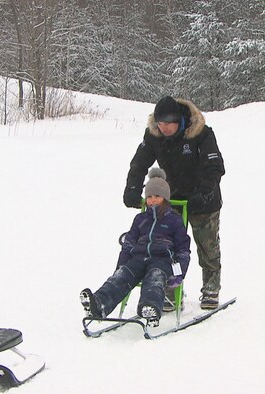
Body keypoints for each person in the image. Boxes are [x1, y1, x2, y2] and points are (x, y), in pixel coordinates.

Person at [123, 96, 225, 310]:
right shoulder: (154, 136)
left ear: (179, 120)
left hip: (203, 200)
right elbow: (139, 163)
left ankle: (211, 287)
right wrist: (132, 188)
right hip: (171, 199)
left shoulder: (201, 134)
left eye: (168, 124)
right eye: (160, 124)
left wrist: (204, 193)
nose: (164, 128)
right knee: (167, 246)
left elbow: (214, 166)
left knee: (207, 246)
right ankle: (170, 286)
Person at [80, 168, 191, 323]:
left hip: (162, 260)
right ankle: (99, 304)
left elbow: (183, 249)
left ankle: (150, 307)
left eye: (157, 196)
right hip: (138, 258)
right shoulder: (140, 219)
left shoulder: (174, 220)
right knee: (121, 277)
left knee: (155, 278)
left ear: (165, 198)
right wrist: (121, 266)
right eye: (149, 197)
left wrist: (179, 273)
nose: (152, 200)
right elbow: (129, 244)